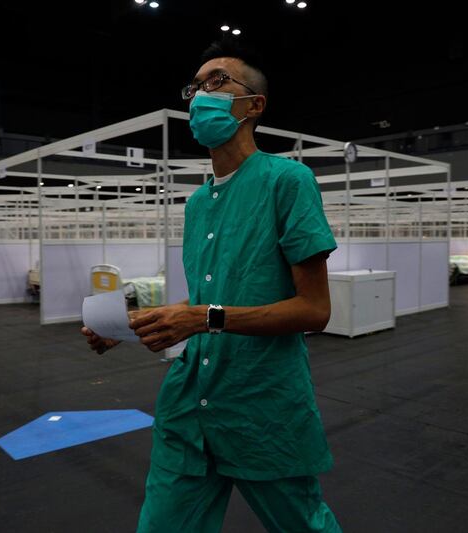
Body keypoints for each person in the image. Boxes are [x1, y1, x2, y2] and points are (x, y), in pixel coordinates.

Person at [81, 40, 342, 533]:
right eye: (196, 86)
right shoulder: (198, 204)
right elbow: (207, 301)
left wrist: (201, 319)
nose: (202, 93)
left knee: (303, 525)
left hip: (261, 405)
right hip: (188, 405)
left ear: (254, 105)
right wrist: (133, 325)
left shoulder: (287, 181)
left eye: (218, 81)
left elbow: (314, 310)